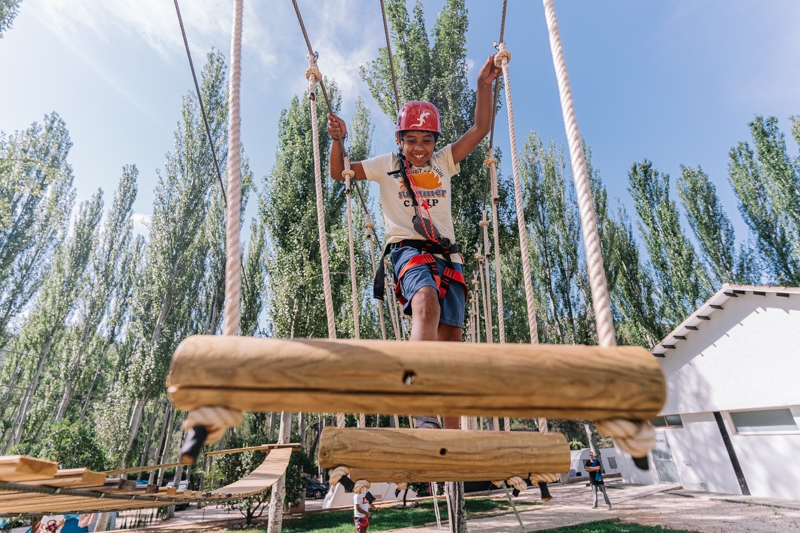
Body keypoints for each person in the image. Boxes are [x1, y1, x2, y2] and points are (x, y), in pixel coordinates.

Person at [328, 55, 502, 431]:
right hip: (408, 249)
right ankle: (421, 407)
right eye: (411, 140)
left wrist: (483, 85)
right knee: (424, 304)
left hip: (447, 256)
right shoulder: (385, 164)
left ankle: (451, 435)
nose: (419, 148)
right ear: (399, 140)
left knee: (451, 341)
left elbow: (480, 129)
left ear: (436, 141)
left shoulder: (444, 163)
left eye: (426, 140)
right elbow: (338, 172)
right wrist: (338, 141)